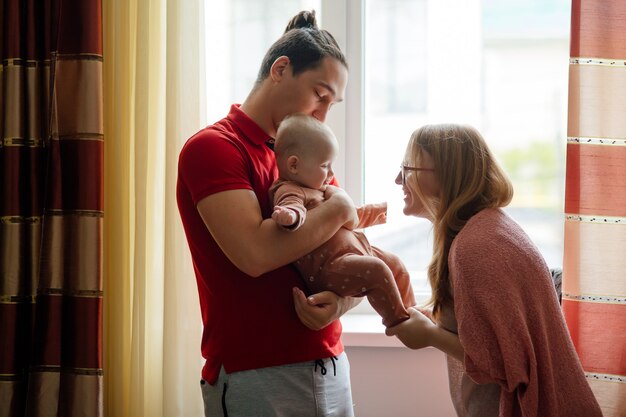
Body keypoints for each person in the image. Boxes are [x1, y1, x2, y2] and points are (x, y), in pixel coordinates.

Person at [177, 11, 360, 417]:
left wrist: (341, 303)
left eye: (332, 103)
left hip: (331, 362)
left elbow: (343, 246)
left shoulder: (304, 155)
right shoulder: (214, 148)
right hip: (256, 371)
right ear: (281, 69)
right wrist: (343, 205)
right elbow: (255, 254)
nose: (323, 114)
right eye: (320, 94)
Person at [386, 124, 603, 417]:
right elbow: (489, 328)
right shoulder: (485, 230)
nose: (399, 179)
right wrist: (437, 321)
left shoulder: (476, 246)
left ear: (446, 175)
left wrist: (431, 336)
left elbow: (504, 363)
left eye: (407, 168)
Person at [269, 113, 416, 327]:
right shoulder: (290, 189)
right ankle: (400, 323)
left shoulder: (318, 187)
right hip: (332, 266)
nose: (331, 173)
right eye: (325, 166)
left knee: (395, 264)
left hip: (357, 250)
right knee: (377, 270)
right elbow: (293, 207)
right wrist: (290, 216)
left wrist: (377, 213)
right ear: (293, 165)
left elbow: (346, 217)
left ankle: (414, 313)